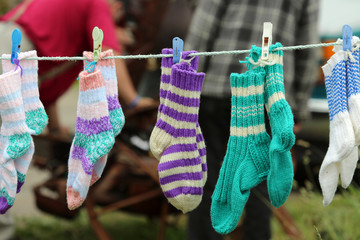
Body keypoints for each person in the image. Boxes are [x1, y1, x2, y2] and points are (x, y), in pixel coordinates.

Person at [184, 0, 320, 239]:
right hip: (266, 95)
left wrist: (188, 85)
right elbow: (308, 50)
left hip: (217, 85)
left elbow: (202, 29)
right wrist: (297, 106)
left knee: (210, 177)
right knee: (260, 186)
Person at [0, 0, 156, 137]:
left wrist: (54, 129)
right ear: (117, 7)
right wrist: (135, 101)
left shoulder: (73, 26)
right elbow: (107, 53)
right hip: (11, 50)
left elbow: (46, 82)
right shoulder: (98, 4)